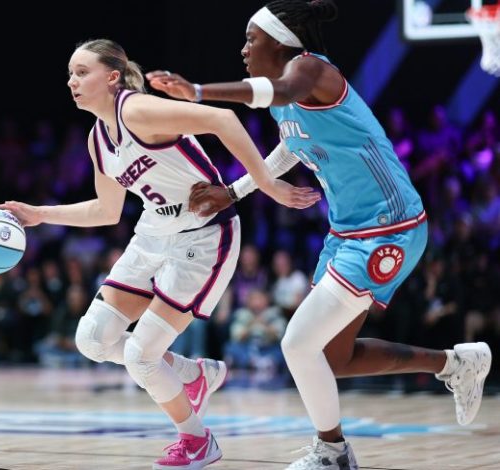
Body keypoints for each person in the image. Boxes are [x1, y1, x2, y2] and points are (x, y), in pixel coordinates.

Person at [146, 1, 492, 468]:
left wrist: (199, 92)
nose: (243, 49)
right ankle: (456, 363)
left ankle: (333, 453)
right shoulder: (285, 100)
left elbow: (283, 89)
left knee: (297, 344)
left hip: (389, 227)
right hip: (348, 231)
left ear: (281, 41)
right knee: (332, 358)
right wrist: (234, 191)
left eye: (251, 39)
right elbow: (289, 147)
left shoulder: (311, 69)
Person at [0, 38, 320, 470]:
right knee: (92, 339)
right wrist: (39, 214)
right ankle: (192, 373)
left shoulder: (137, 110)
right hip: (153, 232)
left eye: (82, 72)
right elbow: (106, 211)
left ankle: (197, 440)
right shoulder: (98, 138)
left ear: (112, 77)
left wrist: (265, 182)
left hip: (203, 236)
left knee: (140, 356)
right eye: (70, 74)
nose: (72, 81)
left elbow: (222, 119)